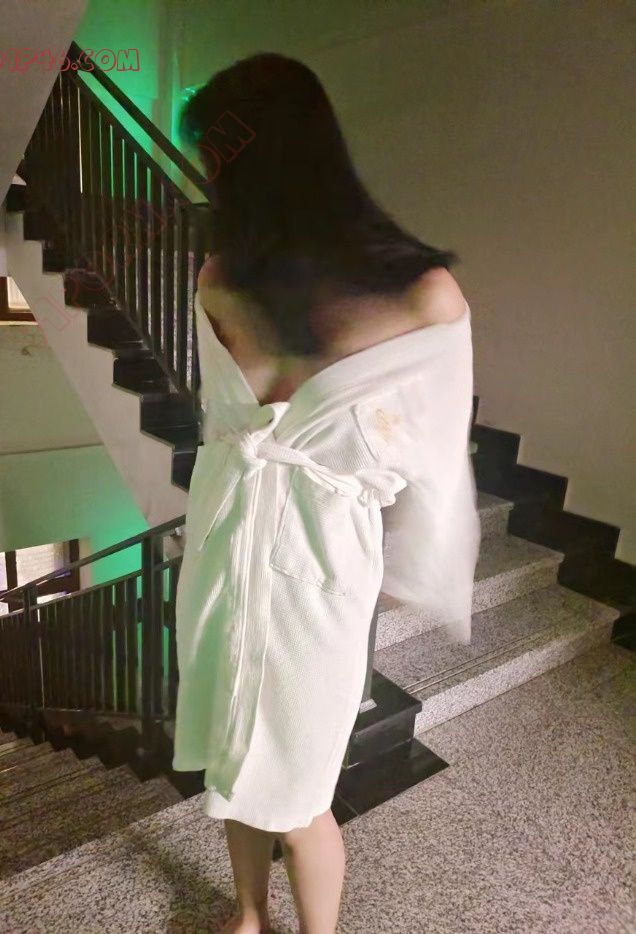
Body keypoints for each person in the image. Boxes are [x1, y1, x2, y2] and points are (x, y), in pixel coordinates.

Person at [172, 52, 481, 934]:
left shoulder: (424, 298)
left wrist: (411, 562)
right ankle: (246, 913)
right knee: (232, 764)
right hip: (223, 550)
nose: (205, 183)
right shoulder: (218, 277)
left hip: (319, 573)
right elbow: (221, 426)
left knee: (301, 790)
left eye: (210, 161)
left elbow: (438, 455)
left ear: (245, 158)